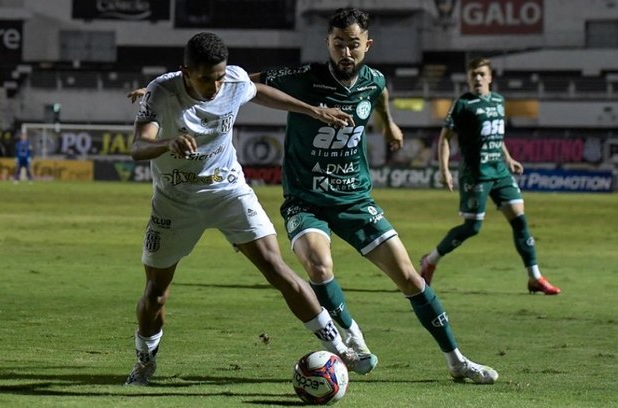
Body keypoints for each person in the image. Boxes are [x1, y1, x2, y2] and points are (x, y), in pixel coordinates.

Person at [250, 8, 498, 383]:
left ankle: (457, 361)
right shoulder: (304, 78)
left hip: (354, 199)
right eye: (338, 44)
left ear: (367, 45)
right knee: (318, 265)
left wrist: (390, 123)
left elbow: (380, 95)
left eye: (353, 45)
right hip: (306, 199)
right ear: (327, 44)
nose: (345, 53)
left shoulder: (373, 80)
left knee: (412, 280)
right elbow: (243, 84)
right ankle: (352, 338)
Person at [124, 32, 373, 387]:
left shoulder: (234, 80)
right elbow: (137, 147)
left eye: (220, 77)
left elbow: (259, 92)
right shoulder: (161, 92)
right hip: (176, 201)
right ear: (185, 72)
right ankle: (145, 361)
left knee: (278, 269)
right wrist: (168, 142)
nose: (215, 86)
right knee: (156, 293)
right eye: (206, 78)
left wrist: (313, 110)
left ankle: (340, 348)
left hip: (229, 192)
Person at [419, 57, 561, 296]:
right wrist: (444, 170)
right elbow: (445, 138)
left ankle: (535, 277)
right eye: (473, 74)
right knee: (472, 227)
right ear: (468, 78)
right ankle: (430, 261)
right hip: (476, 174)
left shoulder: (498, 101)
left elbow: (496, 136)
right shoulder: (463, 104)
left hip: (500, 171)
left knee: (520, 220)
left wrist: (508, 158)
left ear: (490, 77)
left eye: (482, 74)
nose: (477, 78)